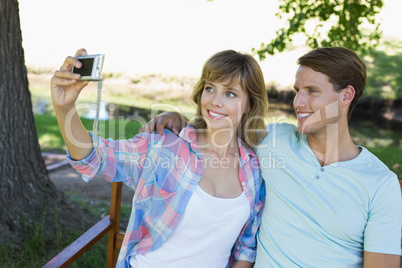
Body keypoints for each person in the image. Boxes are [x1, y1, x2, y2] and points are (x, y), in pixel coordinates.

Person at [141, 47, 402, 267]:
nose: (298, 102)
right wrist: (178, 120)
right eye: (297, 90)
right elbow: (220, 128)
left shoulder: (380, 184)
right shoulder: (273, 141)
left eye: (312, 91)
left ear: (346, 95)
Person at [51, 48, 269, 268]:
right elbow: (94, 157)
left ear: (250, 104)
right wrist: (64, 107)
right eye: (210, 88)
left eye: (230, 93)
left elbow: (246, 248)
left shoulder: (254, 169)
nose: (215, 101)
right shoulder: (166, 146)